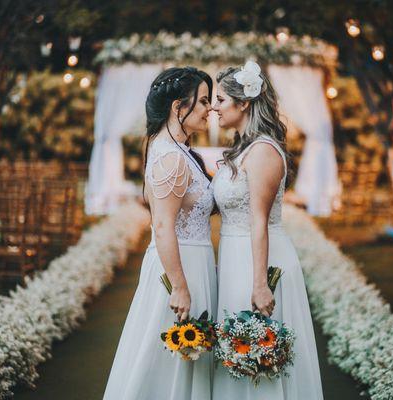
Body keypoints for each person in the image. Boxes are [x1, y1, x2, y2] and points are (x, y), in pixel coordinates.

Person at [211, 61, 324, 399]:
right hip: (235, 258)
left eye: (219, 100)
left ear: (243, 103)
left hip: (260, 261)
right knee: (237, 353)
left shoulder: (263, 151)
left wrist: (260, 284)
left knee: (258, 353)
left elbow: (258, 219)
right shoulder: (243, 148)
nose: (214, 108)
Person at [103, 67, 216, 400]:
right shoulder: (171, 157)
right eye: (204, 101)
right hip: (180, 268)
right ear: (178, 107)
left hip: (194, 260)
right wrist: (180, 287)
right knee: (168, 360)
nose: (210, 109)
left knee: (185, 359)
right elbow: (163, 225)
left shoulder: (177, 150)